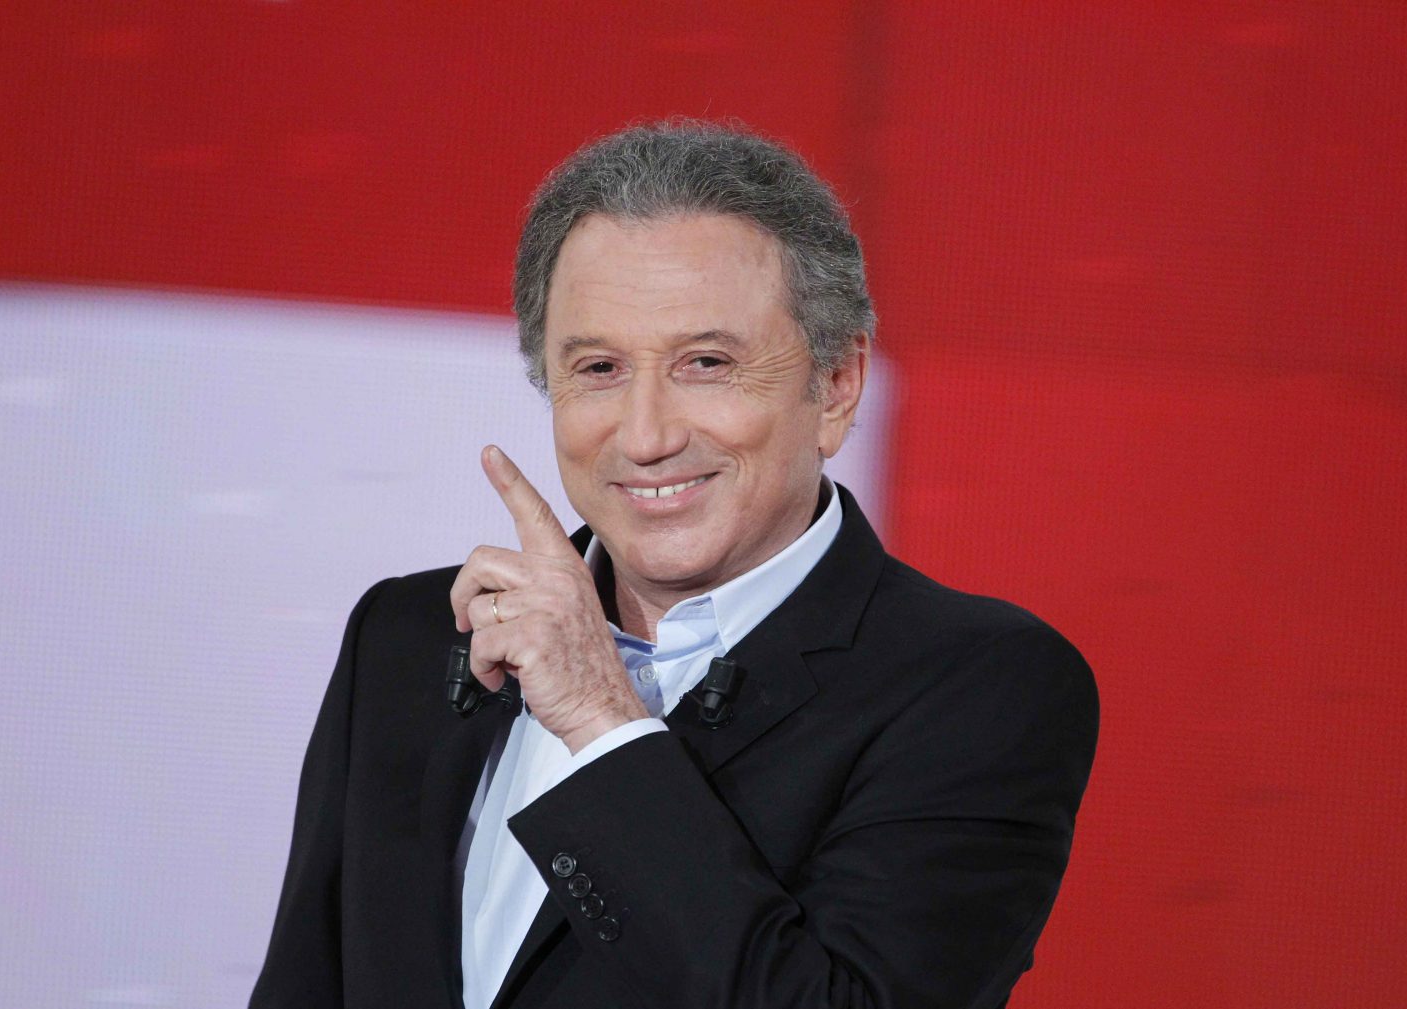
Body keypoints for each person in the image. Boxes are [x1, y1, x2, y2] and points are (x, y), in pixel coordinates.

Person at [250, 120, 1098, 1009]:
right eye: (600, 367)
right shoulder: (411, 637)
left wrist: (600, 719)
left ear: (836, 386)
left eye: (706, 363)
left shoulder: (978, 686)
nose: (647, 435)